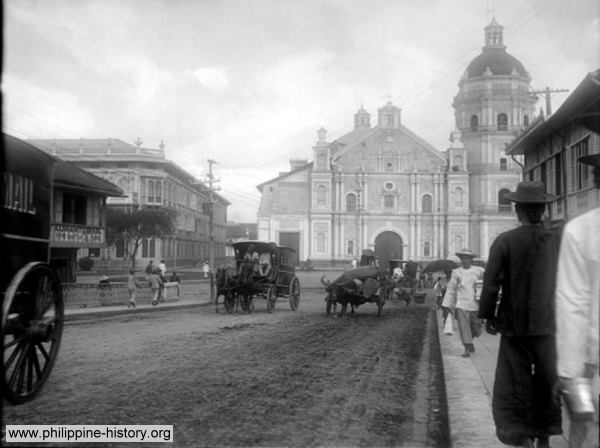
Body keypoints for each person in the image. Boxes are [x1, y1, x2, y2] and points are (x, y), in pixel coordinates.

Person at [479, 181, 562, 448]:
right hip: (550, 324)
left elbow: (491, 283)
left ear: (518, 211)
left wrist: (488, 316)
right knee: (548, 378)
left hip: (514, 325)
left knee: (514, 381)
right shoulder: (558, 241)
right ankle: (545, 435)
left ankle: (520, 434)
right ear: (543, 209)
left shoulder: (505, 241)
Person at [555, 154, 600, 448]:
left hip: (588, 365)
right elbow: (570, 303)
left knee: (583, 427)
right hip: (591, 365)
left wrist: (570, 372)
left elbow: (571, 304)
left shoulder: (582, 230)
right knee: (583, 423)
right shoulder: (581, 231)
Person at [442, 248, 484, 357]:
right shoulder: (456, 272)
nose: (465, 260)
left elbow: (486, 283)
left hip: (476, 304)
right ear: (461, 260)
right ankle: (467, 348)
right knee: (464, 327)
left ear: (471, 260)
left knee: (476, 329)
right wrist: (447, 305)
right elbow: (451, 289)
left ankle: (470, 341)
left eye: (468, 258)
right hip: (461, 304)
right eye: (463, 258)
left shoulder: (479, 271)